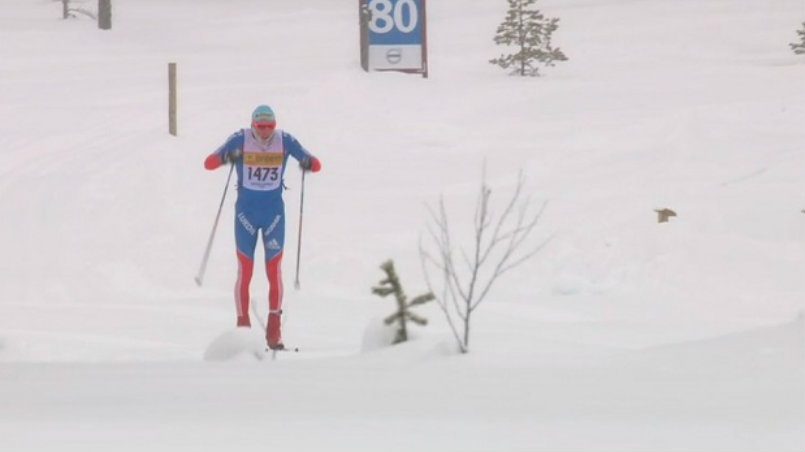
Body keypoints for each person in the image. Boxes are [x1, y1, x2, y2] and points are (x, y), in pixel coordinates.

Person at [204, 105, 321, 350]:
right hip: (245, 215)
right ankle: (243, 331)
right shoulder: (240, 138)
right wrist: (228, 156)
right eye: (261, 127)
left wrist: (309, 162)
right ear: (253, 125)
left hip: (273, 216)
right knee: (245, 271)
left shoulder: (285, 140)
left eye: (270, 127)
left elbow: (315, 162)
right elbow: (209, 163)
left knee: (274, 270)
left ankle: (274, 333)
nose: (266, 133)